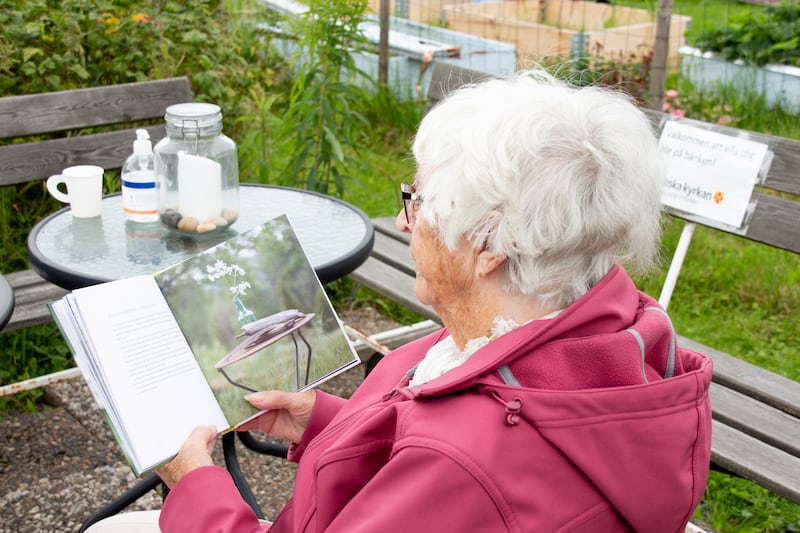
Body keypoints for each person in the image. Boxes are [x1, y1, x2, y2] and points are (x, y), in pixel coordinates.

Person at [88, 68, 713, 532]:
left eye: (417, 201)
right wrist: (330, 424)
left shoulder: (463, 464)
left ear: (487, 245)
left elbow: (451, 466)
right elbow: (428, 461)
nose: (400, 220)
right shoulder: (615, 339)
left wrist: (197, 488)